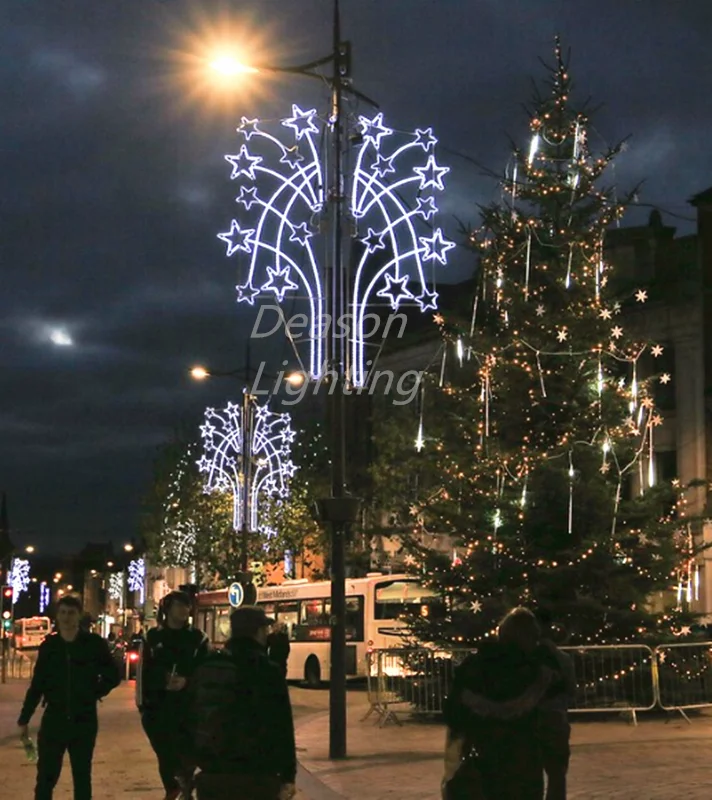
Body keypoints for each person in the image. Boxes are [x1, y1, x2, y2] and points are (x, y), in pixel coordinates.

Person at [443, 607, 567, 800]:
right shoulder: (537, 671)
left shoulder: (474, 667)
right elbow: (553, 719)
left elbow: (454, 714)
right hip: (524, 759)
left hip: (483, 754)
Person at [17, 594, 120, 800]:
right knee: (46, 776)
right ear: (57, 615)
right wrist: (24, 718)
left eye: (71, 613)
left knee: (82, 776)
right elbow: (37, 684)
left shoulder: (92, 644)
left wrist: (94, 692)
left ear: (78, 616)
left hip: (84, 718)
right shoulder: (50, 646)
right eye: (62, 612)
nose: (66, 617)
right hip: (54, 717)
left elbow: (113, 675)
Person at [190, 605, 297, 800]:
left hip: (214, 771)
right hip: (258, 772)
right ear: (258, 632)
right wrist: (288, 776)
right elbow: (282, 725)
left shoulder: (211, 664)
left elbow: (192, 715)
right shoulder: (267, 671)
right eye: (265, 629)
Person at [136, 590, 210, 800]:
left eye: (186, 606)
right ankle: (175, 789)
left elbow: (205, 672)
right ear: (167, 610)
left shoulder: (198, 639)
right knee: (166, 756)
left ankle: (181, 791)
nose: (184, 610)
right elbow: (143, 674)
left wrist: (187, 682)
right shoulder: (152, 638)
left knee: (187, 757)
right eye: (179, 606)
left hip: (189, 710)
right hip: (159, 710)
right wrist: (147, 703)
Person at [534, 610, 576, 800]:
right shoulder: (563, 658)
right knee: (557, 774)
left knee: (530, 773)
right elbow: (571, 690)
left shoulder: (526, 656)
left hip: (531, 718)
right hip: (555, 717)